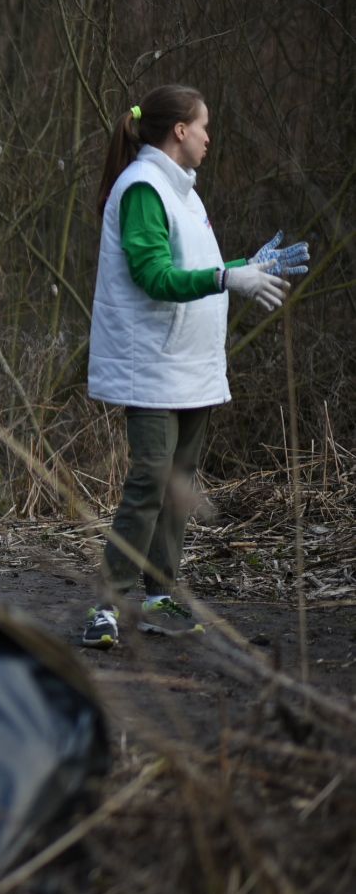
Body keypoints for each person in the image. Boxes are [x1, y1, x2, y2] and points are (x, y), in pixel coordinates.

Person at [80, 84, 309, 648]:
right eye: (204, 126)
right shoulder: (142, 189)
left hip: (191, 367)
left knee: (177, 482)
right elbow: (153, 276)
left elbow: (194, 267)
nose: (210, 138)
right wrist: (227, 278)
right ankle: (107, 604)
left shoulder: (185, 193)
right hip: (153, 367)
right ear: (179, 131)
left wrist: (242, 266)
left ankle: (161, 594)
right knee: (151, 479)